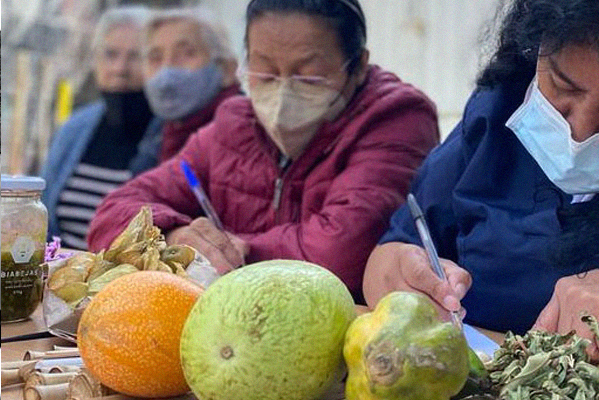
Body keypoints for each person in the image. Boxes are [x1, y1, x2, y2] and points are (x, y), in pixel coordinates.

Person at [363, 0, 599, 372]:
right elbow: (398, 249)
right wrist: (400, 276)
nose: (579, 131)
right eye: (563, 85)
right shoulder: (499, 112)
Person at [87, 0, 440, 301]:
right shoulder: (233, 126)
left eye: (308, 76)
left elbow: (340, 252)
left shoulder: (396, 118)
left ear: (359, 66)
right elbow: (112, 213)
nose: (282, 92)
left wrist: (227, 251)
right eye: (266, 73)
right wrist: (176, 237)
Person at [41, 6, 160, 250]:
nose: (120, 68)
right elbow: (43, 211)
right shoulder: (75, 127)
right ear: (95, 59)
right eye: (110, 54)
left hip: (130, 284)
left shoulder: (165, 132)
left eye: (135, 56)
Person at [135, 8, 242, 167]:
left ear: (226, 69)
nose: (167, 69)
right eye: (155, 57)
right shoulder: (159, 129)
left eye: (186, 53)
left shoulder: (243, 133)